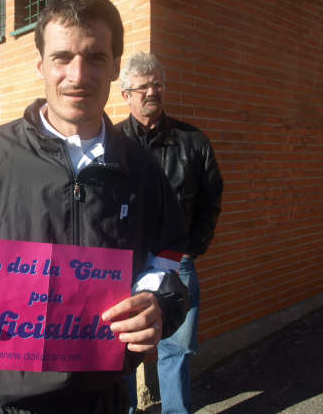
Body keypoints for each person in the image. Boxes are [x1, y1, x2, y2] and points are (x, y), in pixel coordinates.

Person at [0, 0, 189, 414]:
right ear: (40, 65)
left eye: (94, 58)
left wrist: (159, 303)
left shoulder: (140, 168)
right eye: (62, 57)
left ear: (113, 68)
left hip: (98, 401)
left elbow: (166, 257)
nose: (78, 74)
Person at [117, 52, 223, 414]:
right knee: (120, 347)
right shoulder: (111, 143)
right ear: (125, 95)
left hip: (177, 264)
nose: (151, 91)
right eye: (143, 86)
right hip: (124, 266)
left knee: (175, 348)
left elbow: (212, 197)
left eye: (157, 84)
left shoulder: (192, 142)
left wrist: (193, 248)